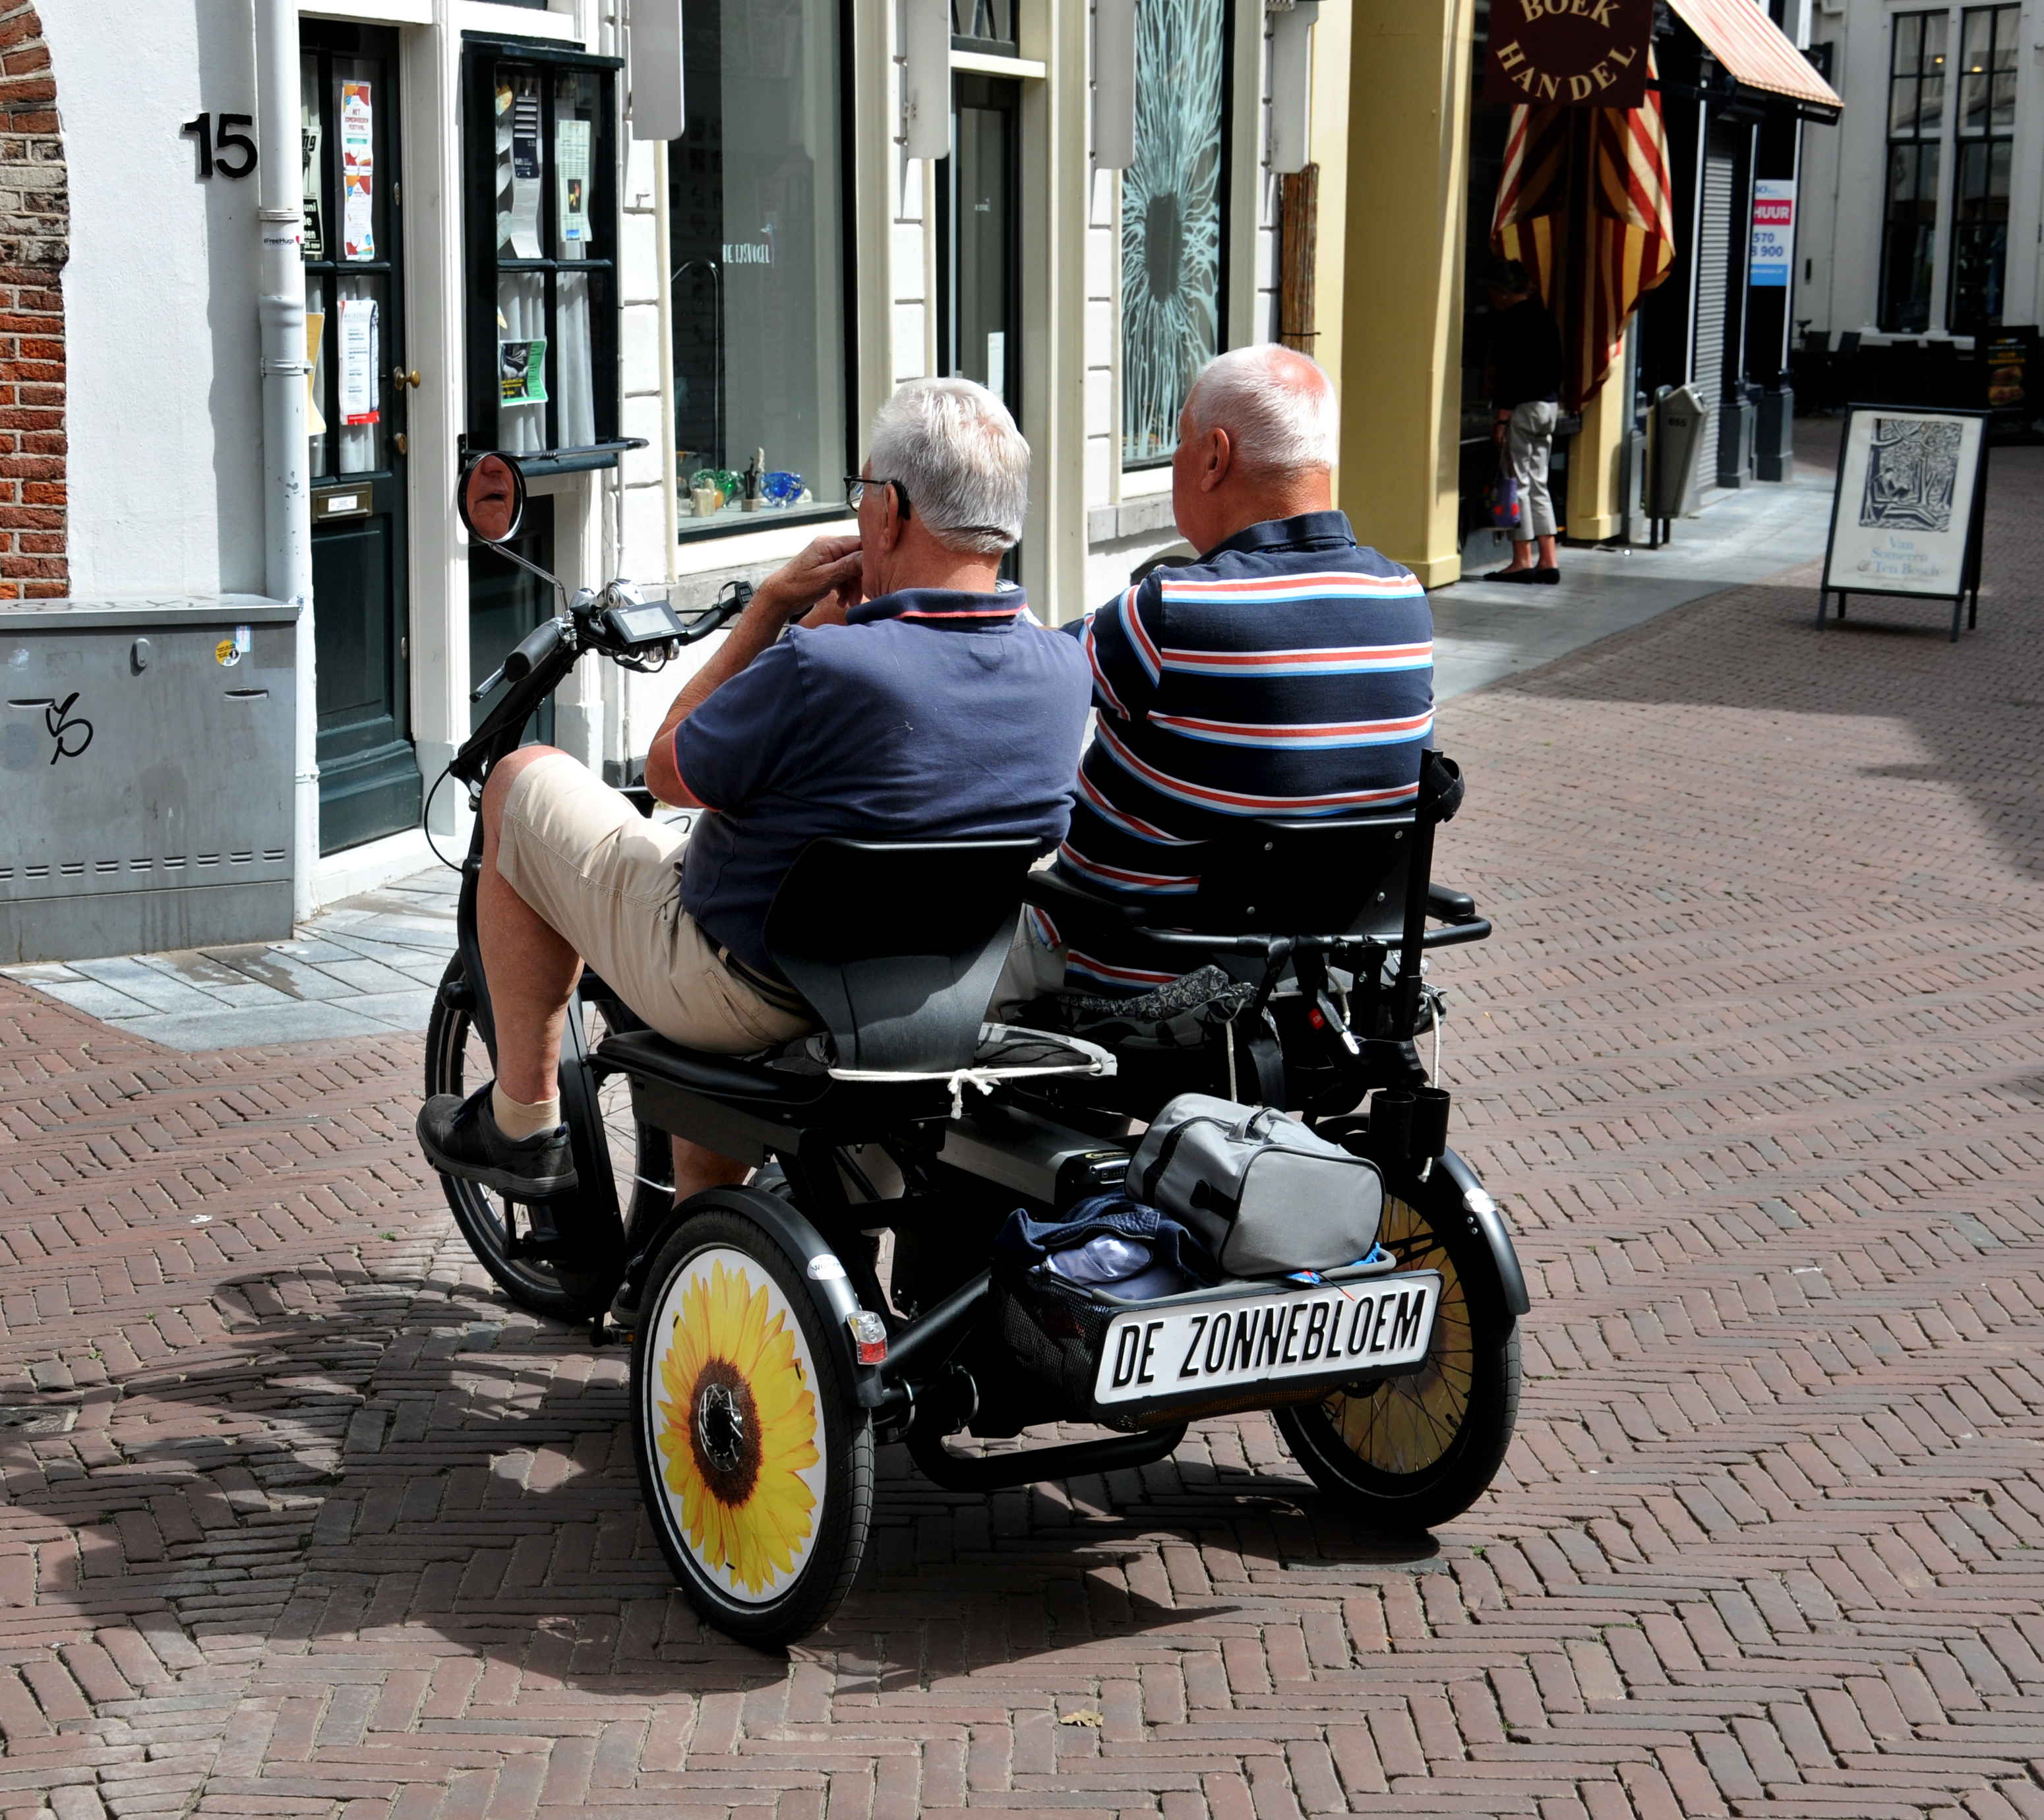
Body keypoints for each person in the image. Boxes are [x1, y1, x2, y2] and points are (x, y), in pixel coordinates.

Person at [419, 378, 1093, 1205]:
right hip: (929, 989)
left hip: (747, 987)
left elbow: (668, 770)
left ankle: (523, 1124)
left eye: (863, 491)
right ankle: (695, 1241)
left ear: (891, 511)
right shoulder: (1063, 669)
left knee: (520, 781)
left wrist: (770, 612)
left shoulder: (823, 664)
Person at [1001, 344, 1434, 1002]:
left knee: (912, 963)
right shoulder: (1402, 598)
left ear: (1213, 458)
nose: (1175, 460)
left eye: (1180, 442)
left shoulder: (1173, 610)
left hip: (1135, 976)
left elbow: (1014, 674)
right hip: (1312, 982)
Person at [1483, 260, 1565, 584]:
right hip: (1548, 407)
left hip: (1522, 408)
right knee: (1539, 484)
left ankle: (1522, 560)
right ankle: (1549, 559)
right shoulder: (1544, 316)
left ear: (1503, 293)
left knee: (1518, 483)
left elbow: (1512, 373)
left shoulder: (1512, 321)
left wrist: (1502, 417)